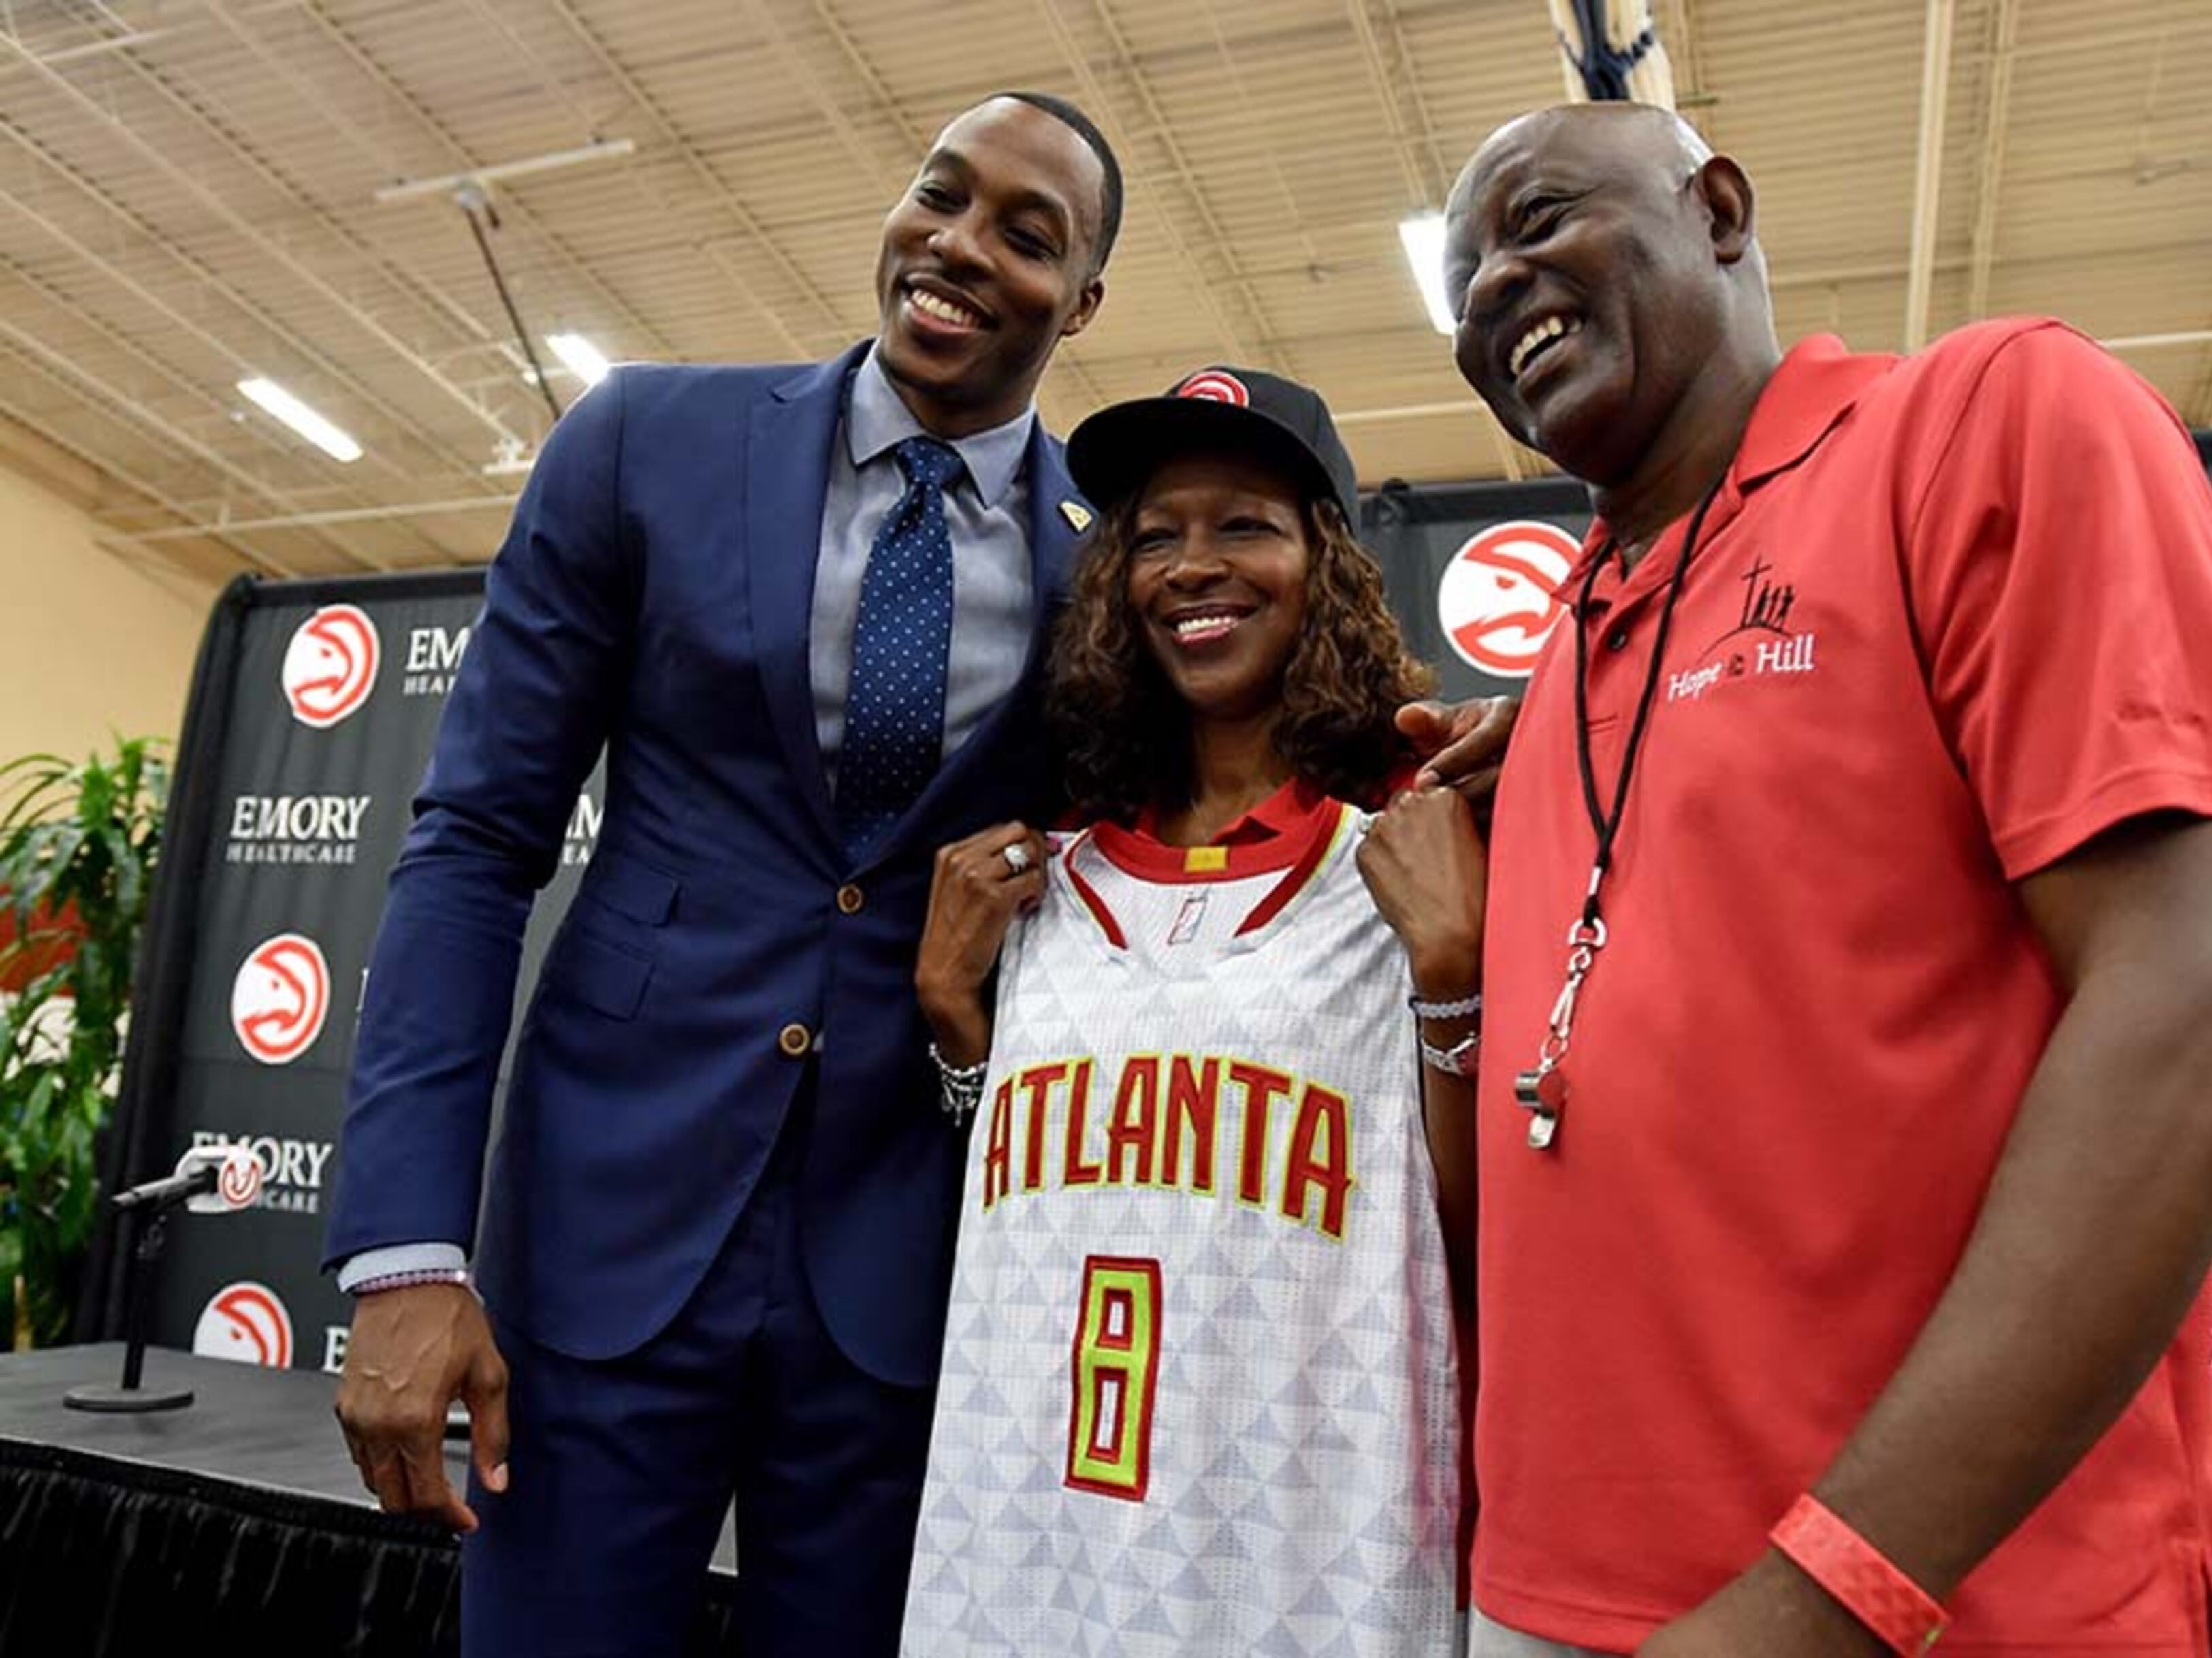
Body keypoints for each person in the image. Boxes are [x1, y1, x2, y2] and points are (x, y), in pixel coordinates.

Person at [321, 89, 1509, 1653]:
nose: (960, 247)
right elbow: (474, 845)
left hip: (915, 1294)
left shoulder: (1112, 563)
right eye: (941, 197)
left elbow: (1258, 754)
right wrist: (407, 1252)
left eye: (1026, 234)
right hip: (607, 1244)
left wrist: (1499, 755)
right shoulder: (642, 444)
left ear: (1079, 301)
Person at [1439, 104, 2212, 1658]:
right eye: (1464, 286)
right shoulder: (1579, 632)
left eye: (1538, 219)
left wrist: (1825, 1599)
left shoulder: (1985, 417)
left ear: (1718, 209)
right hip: (1545, 1599)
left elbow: (2209, 1016)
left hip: (1919, 1616)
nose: (1495, 290)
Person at [898, 366, 1483, 1655]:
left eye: (1245, 526)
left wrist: (1453, 975)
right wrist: (955, 1021)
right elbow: (1041, 1208)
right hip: (1025, 1553)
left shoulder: (1407, 852)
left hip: (1299, 1554)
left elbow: (1470, 1225)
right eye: (1154, 535)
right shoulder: (1046, 881)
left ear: (1323, 561)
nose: (1191, 566)